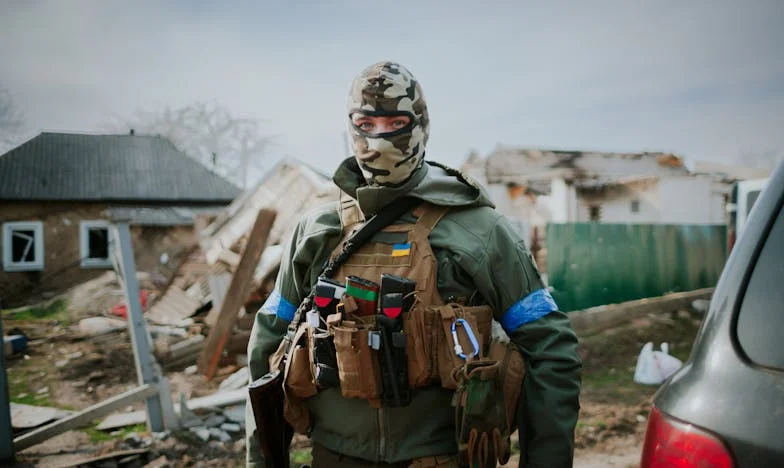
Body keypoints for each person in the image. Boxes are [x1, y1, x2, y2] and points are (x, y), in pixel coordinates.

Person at [246, 61, 581, 467]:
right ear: (351, 128)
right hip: (335, 456)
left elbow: (551, 346)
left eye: (395, 121)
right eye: (366, 124)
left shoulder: (478, 230)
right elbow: (267, 344)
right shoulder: (317, 231)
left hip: (442, 457)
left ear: (420, 124)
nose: (381, 137)